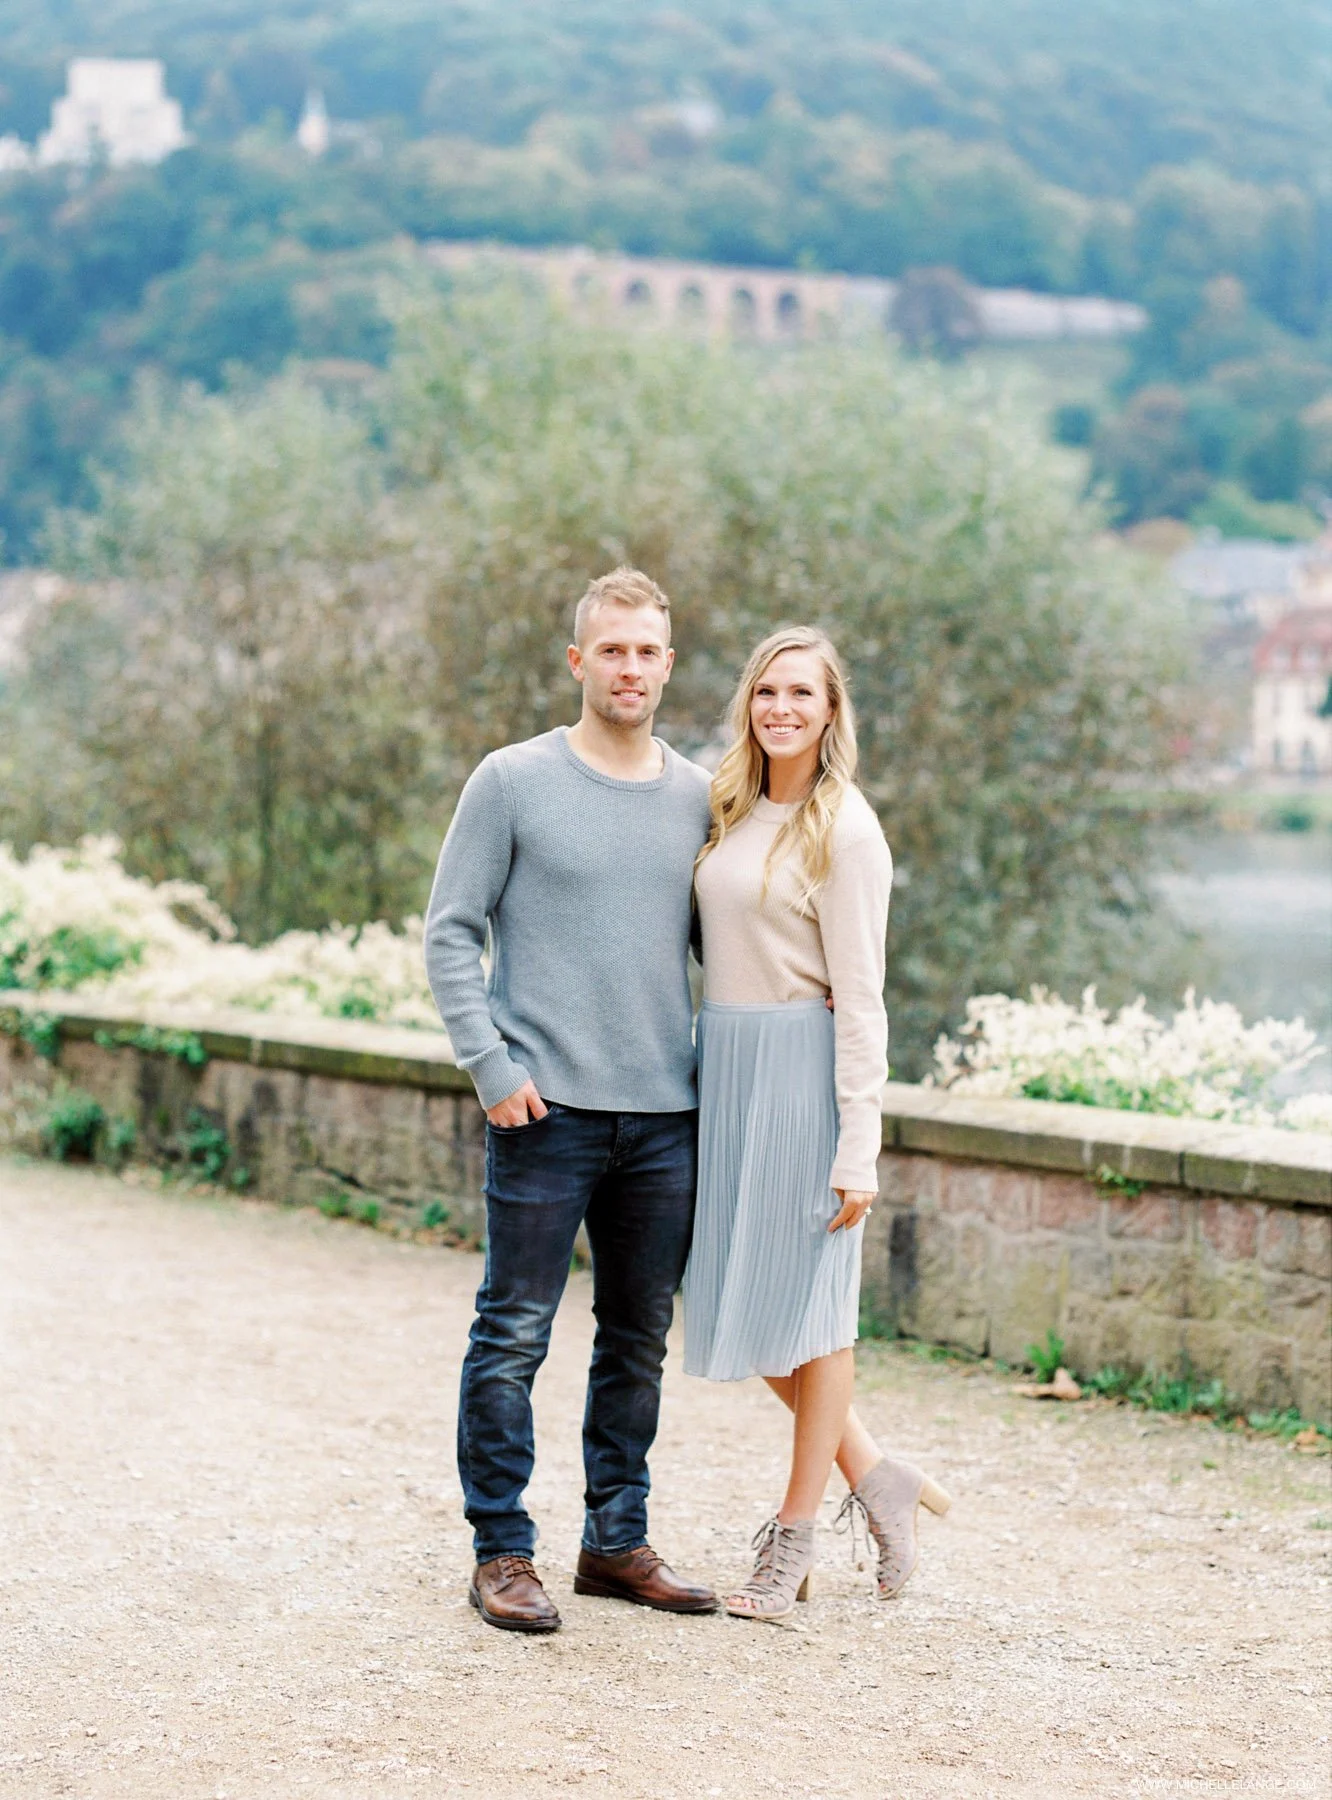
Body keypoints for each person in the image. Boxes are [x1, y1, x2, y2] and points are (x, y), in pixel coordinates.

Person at [424, 566, 718, 1633]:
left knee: (636, 1337)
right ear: (579, 661)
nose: (629, 668)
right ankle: (502, 1550)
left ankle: (616, 1541)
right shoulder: (510, 781)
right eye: (613, 649)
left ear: (667, 665)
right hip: (543, 1114)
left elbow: (723, 950)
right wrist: (492, 1068)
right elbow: (450, 928)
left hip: (664, 1120)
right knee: (513, 1332)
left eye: (648, 651)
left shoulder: (700, 796)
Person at [684, 625, 951, 1622]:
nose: (781, 708)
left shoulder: (847, 829)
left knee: (815, 1316)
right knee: (755, 1322)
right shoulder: (729, 806)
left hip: (802, 1073)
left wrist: (858, 1144)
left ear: (831, 711)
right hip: (731, 1075)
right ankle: (876, 1476)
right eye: (766, 691)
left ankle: (790, 1549)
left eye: (802, 693)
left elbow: (865, 998)